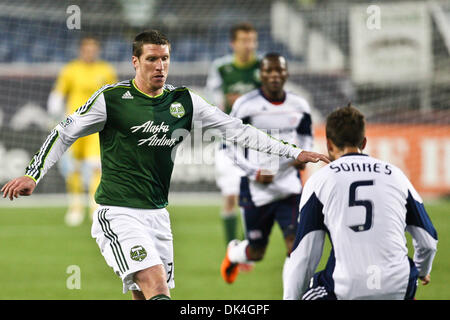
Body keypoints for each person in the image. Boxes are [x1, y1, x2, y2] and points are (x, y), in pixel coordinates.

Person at [1, 30, 329, 300]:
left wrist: (293, 152)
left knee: (145, 295)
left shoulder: (183, 101)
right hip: (118, 212)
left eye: (165, 59)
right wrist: (33, 174)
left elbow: (238, 130)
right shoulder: (111, 99)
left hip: (158, 216)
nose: (160, 66)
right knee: (157, 287)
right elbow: (64, 132)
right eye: (152, 59)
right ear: (135, 62)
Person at [283, 105, 438, 300]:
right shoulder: (396, 175)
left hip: (347, 287)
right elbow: (428, 241)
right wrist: (422, 270)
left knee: (311, 290)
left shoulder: (320, 181)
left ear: (329, 144)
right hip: (398, 284)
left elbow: (305, 255)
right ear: (363, 142)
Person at [220, 53, 313, 285]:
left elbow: (306, 137)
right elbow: (227, 144)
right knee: (256, 253)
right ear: (261, 75)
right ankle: (233, 253)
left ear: (286, 73)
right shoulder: (246, 105)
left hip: (289, 188)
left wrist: (303, 155)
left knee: (296, 247)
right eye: (269, 71)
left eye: (279, 70)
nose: (274, 76)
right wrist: (253, 172)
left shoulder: (299, 105)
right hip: (255, 189)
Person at [47, 35, 117, 226]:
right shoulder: (71, 69)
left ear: (98, 51)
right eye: (87, 49)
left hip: (97, 127)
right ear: (81, 50)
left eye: (93, 49)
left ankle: (96, 207)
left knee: (97, 167)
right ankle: (75, 207)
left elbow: (114, 96)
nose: (90, 52)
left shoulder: (106, 70)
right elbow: (59, 93)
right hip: (75, 125)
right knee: (74, 168)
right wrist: (55, 114)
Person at [206, 22, 261, 248]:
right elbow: (214, 102)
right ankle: (232, 248)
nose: (249, 45)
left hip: (259, 142)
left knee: (253, 198)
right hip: (228, 142)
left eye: (252, 41)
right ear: (233, 43)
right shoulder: (221, 68)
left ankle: (250, 245)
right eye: (244, 41)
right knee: (230, 196)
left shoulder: (265, 66)